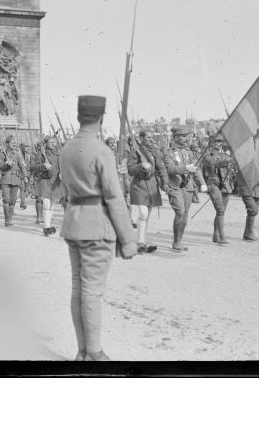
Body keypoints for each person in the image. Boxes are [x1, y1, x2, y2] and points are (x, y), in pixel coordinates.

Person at [60, 95, 138, 361]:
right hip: (96, 226)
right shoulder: (102, 150)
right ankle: (94, 352)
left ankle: (82, 351)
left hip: (74, 222)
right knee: (92, 291)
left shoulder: (67, 148)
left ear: (80, 116)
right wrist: (128, 239)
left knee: (78, 289)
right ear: (101, 119)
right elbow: (114, 197)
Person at [162, 126, 207, 251]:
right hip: (175, 186)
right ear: (176, 137)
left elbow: (196, 169)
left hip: (188, 187)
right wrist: (186, 168)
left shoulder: (189, 153)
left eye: (187, 136)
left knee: (185, 215)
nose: (186, 138)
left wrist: (202, 183)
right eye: (183, 136)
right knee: (180, 212)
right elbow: (170, 169)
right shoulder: (168, 152)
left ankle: (178, 241)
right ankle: (176, 242)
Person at [127, 129, 168, 253]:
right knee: (143, 214)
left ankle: (142, 241)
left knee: (146, 216)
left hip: (152, 185)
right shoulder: (135, 152)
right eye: (148, 138)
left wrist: (165, 182)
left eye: (152, 137)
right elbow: (130, 169)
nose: (151, 140)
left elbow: (161, 168)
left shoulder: (154, 151)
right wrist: (141, 166)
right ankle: (140, 241)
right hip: (139, 186)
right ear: (141, 138)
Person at [202, 133, 233, 245]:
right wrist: (227, 161)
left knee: (221, 212)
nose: (219, 143)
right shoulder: (207, 155)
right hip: (213, 183)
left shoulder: (224, 155)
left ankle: (216, 235)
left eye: (220, 141)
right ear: (211, 142)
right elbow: (212, 163)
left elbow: (230, 168)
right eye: (216, 141)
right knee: (220, 210)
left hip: (225, 185)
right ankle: (222, 236)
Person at [31, 135, 61, 236]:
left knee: (51, 205)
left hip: (55, 181)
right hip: (45, 180)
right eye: (51, 142)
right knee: (47, 204)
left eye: (54, 142)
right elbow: (33, 167)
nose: (53, 144)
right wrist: (43, 165)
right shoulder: (41, 154)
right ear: (46, 143)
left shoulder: (57, 154)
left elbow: (60, 166)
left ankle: (48, 224)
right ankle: (46, 226)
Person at [0, 136, 27, 226]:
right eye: (12, 143)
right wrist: (6, 164)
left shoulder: (17, 154)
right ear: (7, 144)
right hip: (5, 179)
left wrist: (25, 176)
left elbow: (22, 166)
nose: (14, 144)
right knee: (6, 199)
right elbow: (0, 166)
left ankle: (10, 218)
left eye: (15, 143)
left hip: (16, 179)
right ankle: (6, 219)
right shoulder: (2, 154)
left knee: (13, 200)